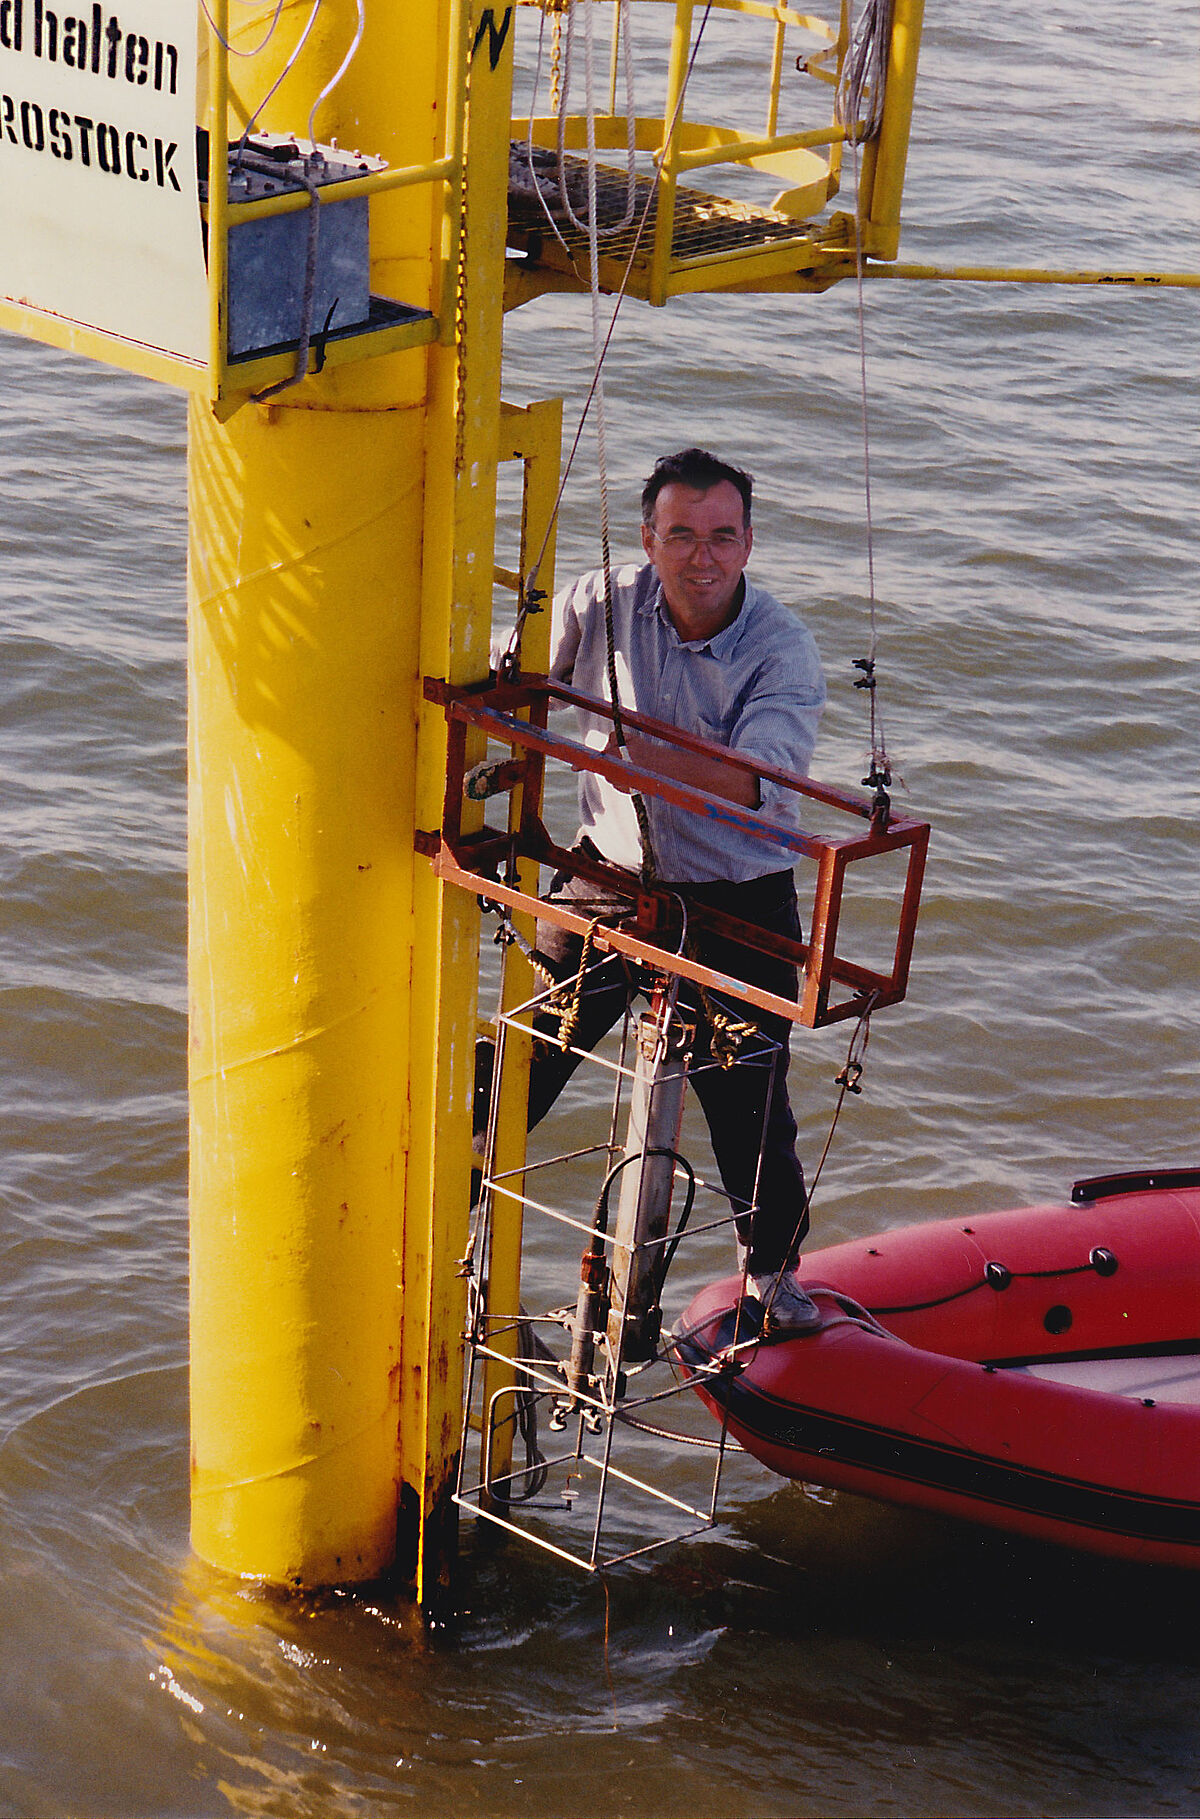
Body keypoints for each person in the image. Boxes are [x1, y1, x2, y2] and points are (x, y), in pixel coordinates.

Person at [479, 448, 827, 1334]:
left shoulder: (781, 647)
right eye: (680, 535)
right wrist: (502, 707)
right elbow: (522, 679)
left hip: (736, 899)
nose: (700, 556)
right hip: (610, 876)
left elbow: (759, 778)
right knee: (524, 1051)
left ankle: (773, 1279)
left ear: (749, 543)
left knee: (750, 1103)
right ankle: (449, 1194)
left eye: (721, 536)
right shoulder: (603, 598)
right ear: (648, 537)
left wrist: (622, 752)